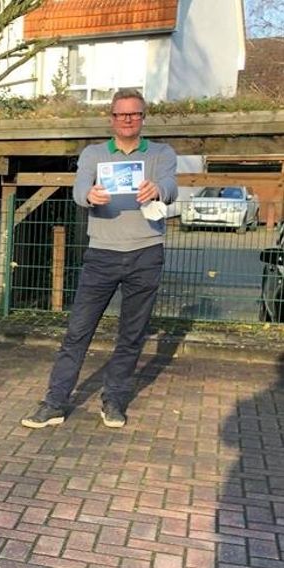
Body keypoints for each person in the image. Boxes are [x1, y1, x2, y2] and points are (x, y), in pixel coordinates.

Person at [22, 89, 177, 430]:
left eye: (134, 114)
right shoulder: (93, 154)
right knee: (78, 331)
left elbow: (170, 185)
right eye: (121, 114)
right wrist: (88, 195)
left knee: (132, 334)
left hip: (145, 252)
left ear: (143, 117)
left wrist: (159, 191)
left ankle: (114, 400)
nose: (127, 119)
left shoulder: (161, 153)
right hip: (102, 254)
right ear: (111, 118)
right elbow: (79, 189)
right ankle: (55, 402)